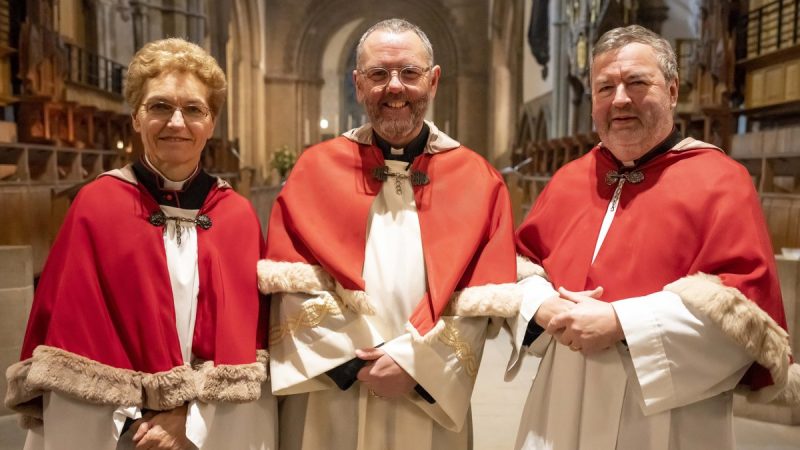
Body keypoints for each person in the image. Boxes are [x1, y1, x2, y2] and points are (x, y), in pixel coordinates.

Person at [509, 25, 799, 450]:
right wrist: (543, 305)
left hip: (666, 421)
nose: (620, 99)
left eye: (637, 82)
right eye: (605, 87)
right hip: (561, 403)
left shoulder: (720, 181)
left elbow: (743, 314)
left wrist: (622, 323)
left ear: (673, 90)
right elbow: (520, 267)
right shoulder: (571, 179)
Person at [258, 18, 519, 450]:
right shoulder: (315, 169)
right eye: (378, 75)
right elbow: (289, 283)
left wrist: (416, 364)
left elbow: (480, 297)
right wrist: (354, 365)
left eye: (409, 73)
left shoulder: (478, 179)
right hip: (332, 395)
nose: (394, 87)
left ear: (433, 82)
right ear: (359, 85)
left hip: (428, 397)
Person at [5, 38, 276, 450]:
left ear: (212, 122)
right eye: (160, 106)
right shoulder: (97, 206)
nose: (176, 123)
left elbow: (248, 346)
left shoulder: (237, 216)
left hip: (213, 431)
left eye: (193, 109)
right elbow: (74, 340)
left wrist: (191, 417)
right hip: (123, 434)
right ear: (136, 117)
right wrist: (138, 422)